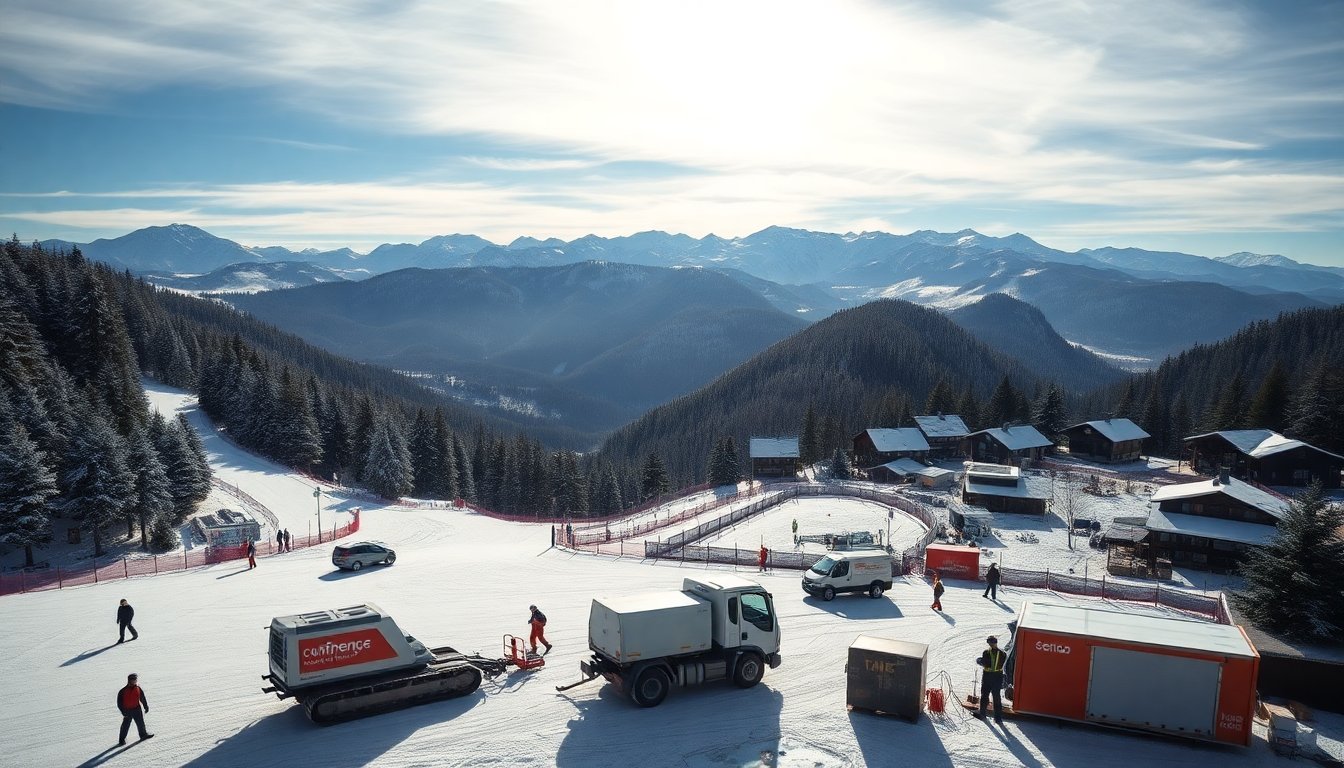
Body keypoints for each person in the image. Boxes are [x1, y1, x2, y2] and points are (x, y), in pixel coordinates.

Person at [973, 636, 1007, 724]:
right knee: (996, 697)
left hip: (988, 676)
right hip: (998, 676)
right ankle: (998, 718)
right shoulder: (1003, 653)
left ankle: (982, 714)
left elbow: (986, 664)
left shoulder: (986, 652)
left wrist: (979, 661)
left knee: (985, 695)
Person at [116, 673, 153, 745]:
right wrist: (123, 712)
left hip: (137, 709)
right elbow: (119, 703)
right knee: (125, 726)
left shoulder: (138, 688)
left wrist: (146, 706)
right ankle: (121, 740)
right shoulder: (123, 691)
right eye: (134, 680)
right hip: (127, 711)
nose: (135, 681)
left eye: (136, 680)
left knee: (141, 723)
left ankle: (143, 735)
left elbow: (142, 698)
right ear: (129, 680)